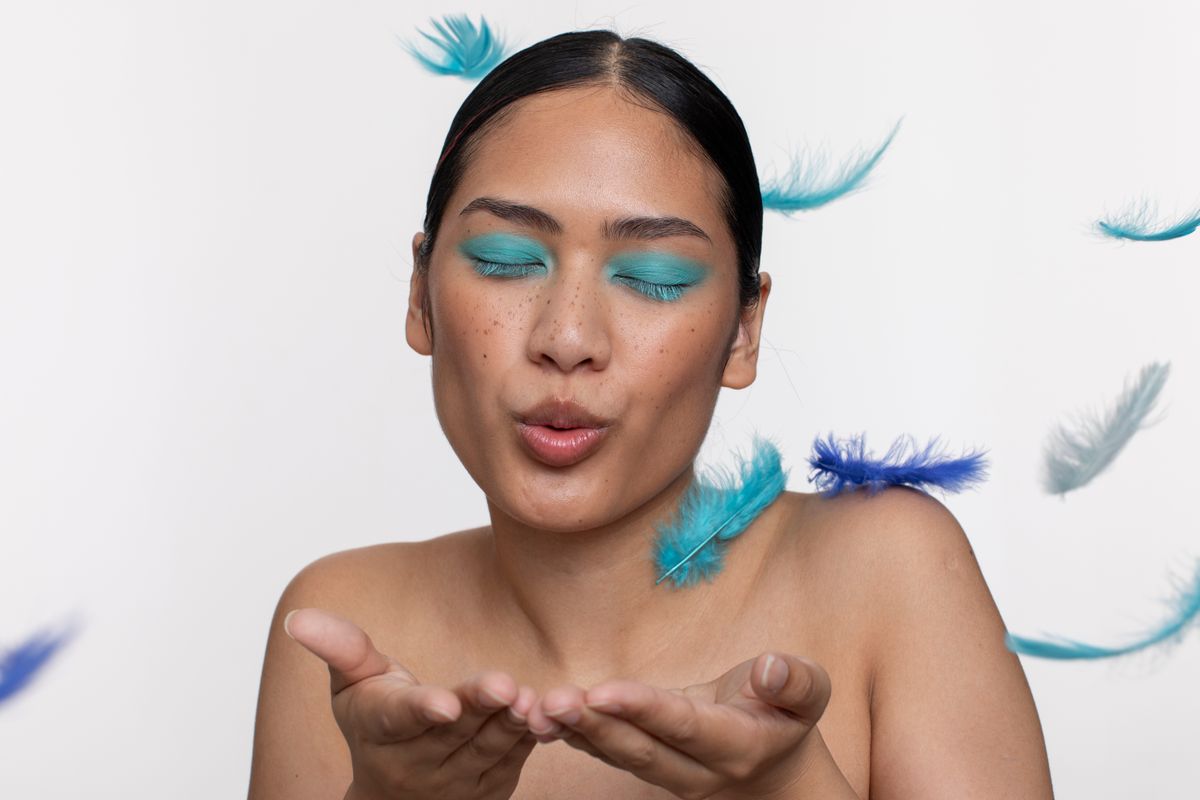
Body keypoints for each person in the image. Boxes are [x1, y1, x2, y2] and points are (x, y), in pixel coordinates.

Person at [248, 29, 1054, 799]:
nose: (567, 337)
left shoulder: (889, 569)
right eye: (504, 260)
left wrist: (784, 788)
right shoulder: (344, 625)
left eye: (656, 276)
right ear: (420, 295)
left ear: (744, 331)